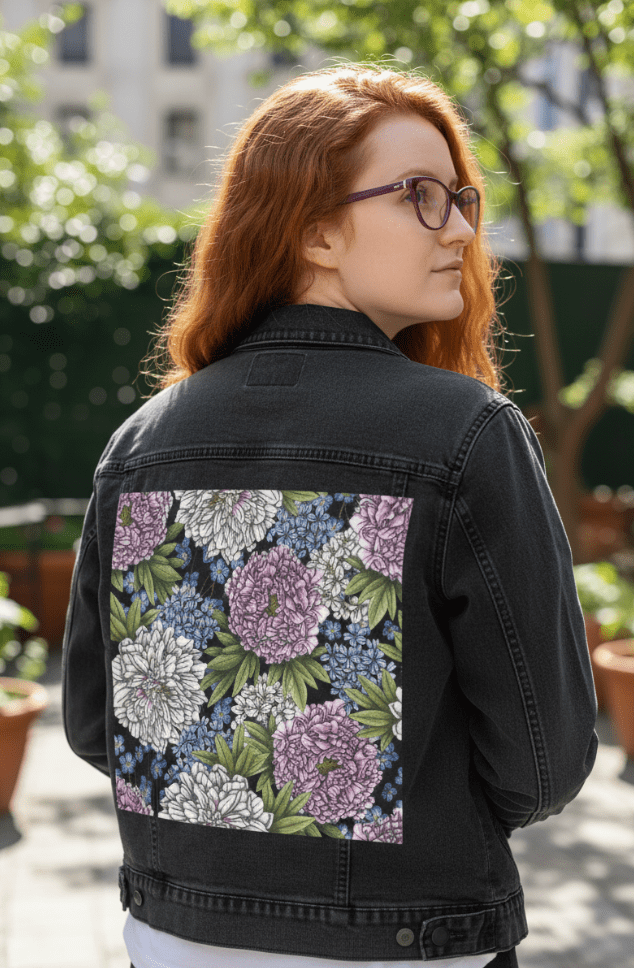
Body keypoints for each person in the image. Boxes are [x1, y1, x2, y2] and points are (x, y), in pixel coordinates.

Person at [61, 65, 598, 968]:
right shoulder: (468, 432)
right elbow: (543, 765)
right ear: (312, 229)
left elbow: (92, 725)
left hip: (173, 938)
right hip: (414, 942)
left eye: (462, 199)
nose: (462, 227)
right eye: (421, 197)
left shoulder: (141, 441)